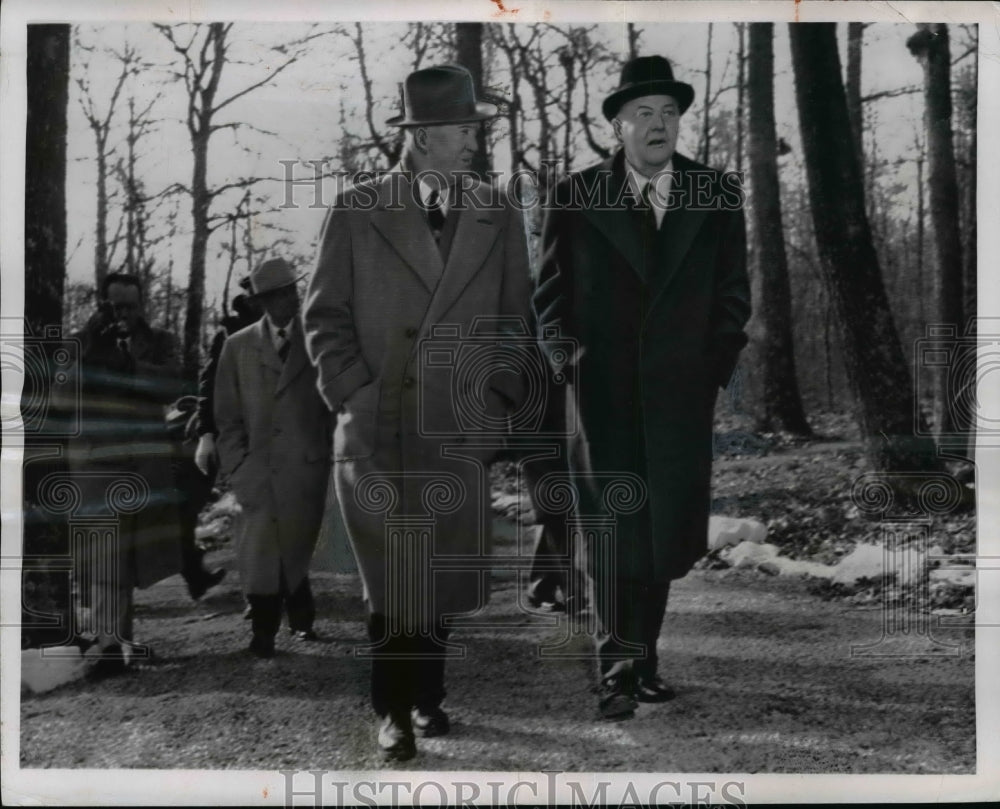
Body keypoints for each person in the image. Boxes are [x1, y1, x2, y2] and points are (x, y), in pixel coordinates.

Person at [303, 64, 532, 761]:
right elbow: (324, 317)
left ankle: (429, 692)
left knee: (439, 569)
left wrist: (493, 406)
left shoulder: (497, 212)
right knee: (392, 574)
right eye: (465, 130)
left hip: (458, 425)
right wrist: (356, 394)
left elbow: (514, 322)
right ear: (425, 136)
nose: (475, 142)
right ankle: (393, 708)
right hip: (382, 425)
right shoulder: (357, 208)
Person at [533, 55, 751, 720]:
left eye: (669, 113)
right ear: (618, 126)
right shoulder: (575, 195)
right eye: (644, 113)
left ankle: (644, 659)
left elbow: (733, 294)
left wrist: (710, 367)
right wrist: (570, 364)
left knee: (661, 530)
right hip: (599, 393)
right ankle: (617, 668)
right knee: (610, 532)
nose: (659, 125)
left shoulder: (715, 192)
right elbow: (549, 298)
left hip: (678, 395)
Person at [65, 272, 186, 676]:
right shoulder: (78, 342)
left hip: (143, 463)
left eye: (131, 306)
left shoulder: (160, 341)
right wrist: (90, 349)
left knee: (131, 558)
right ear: (101, 305)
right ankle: (109, 647)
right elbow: (61, 394)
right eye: (115, 307)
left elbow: (173, 385)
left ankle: (119, 642)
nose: (123, 315)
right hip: (97, 464)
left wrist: (130, 367)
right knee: (105, 556)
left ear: (142, 305)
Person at [213, 258, 332, 658]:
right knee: (262, 551)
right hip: (259, 470)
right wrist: (238, 468)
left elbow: (333, 407)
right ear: (261, 301)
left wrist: (328, 458)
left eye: (292, 290)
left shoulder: (318, 340)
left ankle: (302, 616)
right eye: (278, 295)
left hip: (307, 467)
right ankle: (263, 632)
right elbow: (227, 418)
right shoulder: (237, 346)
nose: (290, 299)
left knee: (296, 546)